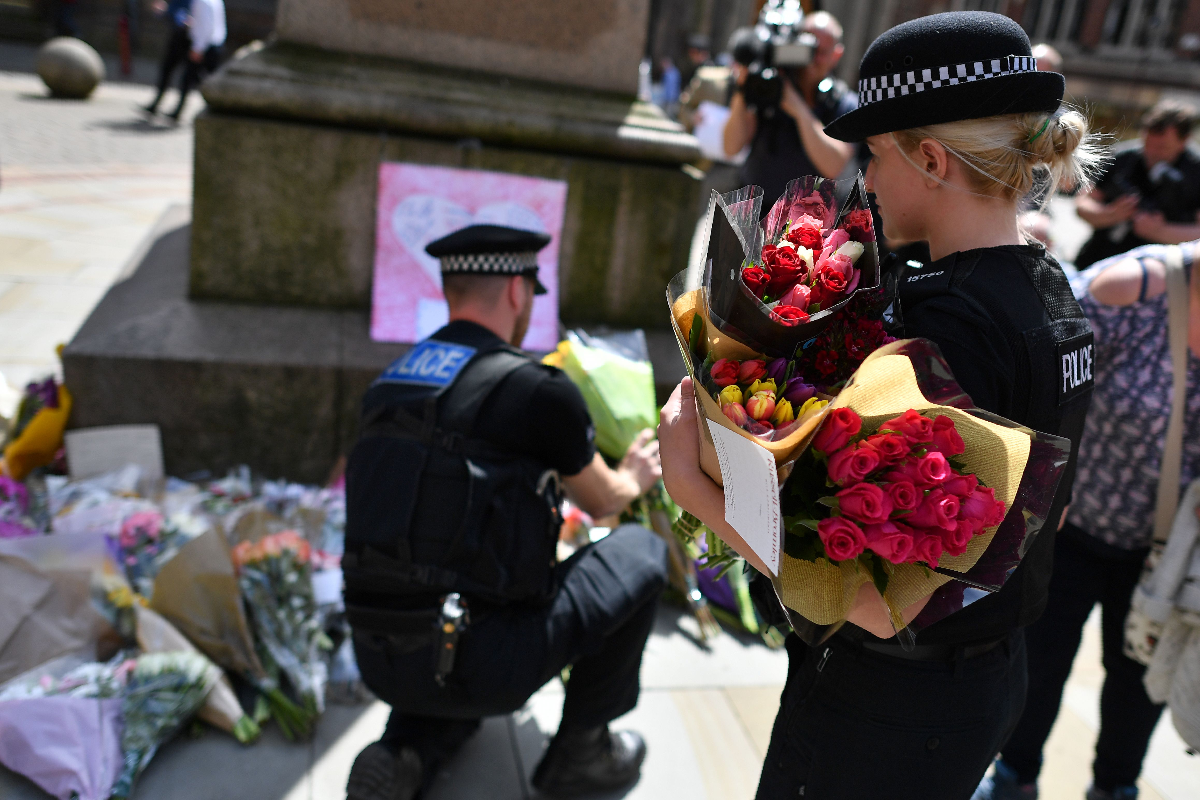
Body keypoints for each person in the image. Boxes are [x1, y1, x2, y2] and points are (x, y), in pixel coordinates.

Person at [659, 12, 1102, 798]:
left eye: (877, 154)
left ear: (930, 159)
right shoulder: (1048, 287)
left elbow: (873, 602)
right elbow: (1049, 511)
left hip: (890, 709)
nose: (864, 178)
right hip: (983, 679)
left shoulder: (947, 324)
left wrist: (693, 488)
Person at [343, 224, 669, 800]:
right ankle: (583, 753)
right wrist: (636, 475)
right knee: (641, 554)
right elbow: (601, 502)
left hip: (378, 653)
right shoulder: (537, 390)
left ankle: (408, 746)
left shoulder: (387, 385)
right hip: (481, 659)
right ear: (518, 291)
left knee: (440, 583)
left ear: (450, 291)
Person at [975, 239, 1200, 800]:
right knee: (1038, 668)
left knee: (1138, 688)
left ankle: (1115, 787)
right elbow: (1039, 376)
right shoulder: (1131, 289)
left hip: (1168, 557)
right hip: (1070, 529)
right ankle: (1013, 777)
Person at [722, 11, 856, 211]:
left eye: (821, 51)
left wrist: (799, 110)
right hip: (750, 212)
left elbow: (834, 165)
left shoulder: (844, 103)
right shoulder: (770, 86)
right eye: (808, 48)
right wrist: (744, 89)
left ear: (836, 55)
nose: (813, 58)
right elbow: (731, 147)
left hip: (803, 224)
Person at [1074, 100, 1200, 269]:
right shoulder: (1124, 157)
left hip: (1164, 268)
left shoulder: (1195, 171)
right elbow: (1083, 202)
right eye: (1148, 143)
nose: (1152, 152)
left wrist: (1161, 231)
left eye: (1162, 147)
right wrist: (1109, 214)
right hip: (1103, 256)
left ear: (1184, 141)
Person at [167, 0, 225, 121]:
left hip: (205, 46)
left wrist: (198, 48)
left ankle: (180, 110)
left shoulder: (201, 2)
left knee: (191, 79)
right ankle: (179, 110)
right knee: (199, 79)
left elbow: (206, 27)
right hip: (214, 45)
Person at [142, 0, 192, 117]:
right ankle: (157, 103)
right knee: (167, 69)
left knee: (188, 75)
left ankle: (178, 109)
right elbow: (174, 11)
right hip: (178, 35)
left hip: (191, 38)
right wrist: (164, 11)